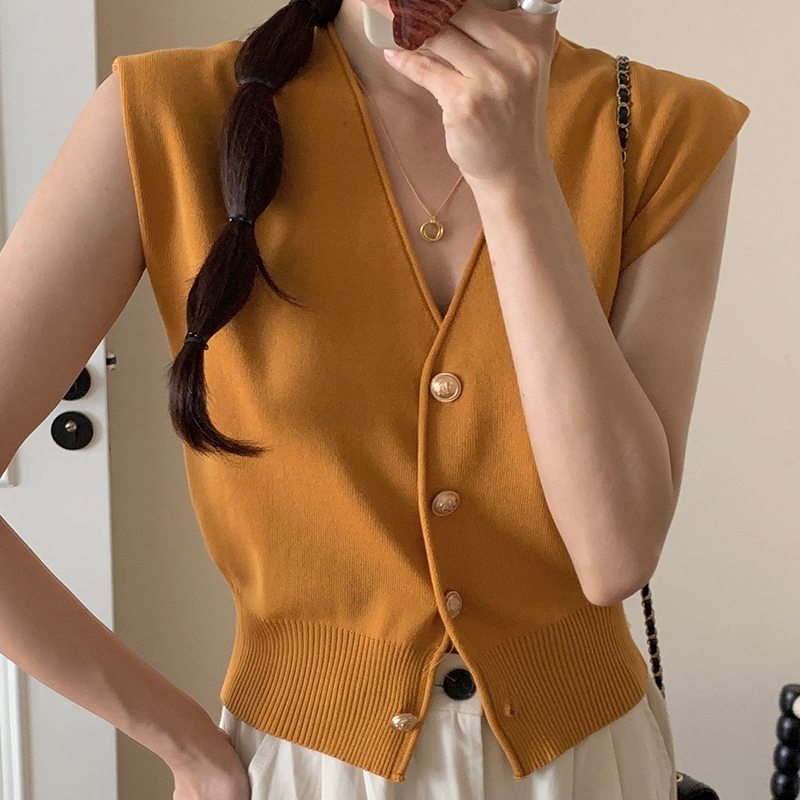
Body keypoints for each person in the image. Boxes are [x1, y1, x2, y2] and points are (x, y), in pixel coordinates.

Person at [0, 0, 750, 795]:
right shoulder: (166, 113)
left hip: (589, 768)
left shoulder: (662, 127)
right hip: (308, 769)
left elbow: (614, 556)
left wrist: (517, 178)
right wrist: (181, 744)